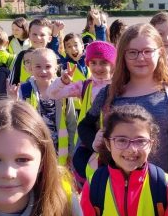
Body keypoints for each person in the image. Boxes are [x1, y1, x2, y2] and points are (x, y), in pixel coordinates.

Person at [78, 23, 168, 180]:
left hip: (164, 189)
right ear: (123, 56)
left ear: (160, 52)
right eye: (133, 52)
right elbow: (84, 126)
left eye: (148, 51)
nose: (141, 58)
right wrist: (95, 141)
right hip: (117, 189)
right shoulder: (109, 93)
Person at [49, 40, 117, 186]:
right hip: (86, 141)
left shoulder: (119, 86)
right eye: (93, 63)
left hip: (112, 141)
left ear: (113, 64)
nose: (98, 68)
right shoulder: (84, 85)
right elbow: (52, 94)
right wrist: (63, 81)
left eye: (103, 62)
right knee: (85, 179)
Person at [18, 48, 77, 168]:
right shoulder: (24, 91)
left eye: (48, 66)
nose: (43, 71)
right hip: (34, 150)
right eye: (38, 66)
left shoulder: (64, 91)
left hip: (60, 151)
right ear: (31, 68)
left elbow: (71, 123)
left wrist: (72, 152)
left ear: (56, 68)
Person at [9, 18, 62, 85]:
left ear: (49, 38)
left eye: (42, 35)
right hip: (25, 95)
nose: (38, 38)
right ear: (29, 36)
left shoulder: (53, 57)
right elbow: (12, 82)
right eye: (34, 34)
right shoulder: (22, 56)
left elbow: (61, 83)